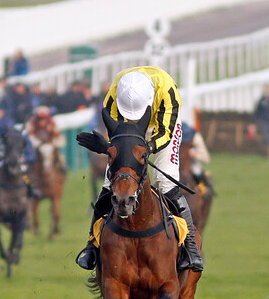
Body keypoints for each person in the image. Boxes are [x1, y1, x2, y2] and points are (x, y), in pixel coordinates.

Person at [75, 67, 204, 272]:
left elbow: (165, 132)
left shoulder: (168, 91)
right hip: (128, 131)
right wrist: (107, 148)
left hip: (161, 129)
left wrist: (147, 149)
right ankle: (92, 245)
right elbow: (115, 132)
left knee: (165, 183)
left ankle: (190, 247)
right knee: (111, 185)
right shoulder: (115, 91)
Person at [0, 120, 38, 203]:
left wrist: (24, 159)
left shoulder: (21, 133)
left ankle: (31, 190)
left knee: (25, 176)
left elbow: (31, 154)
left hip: (18, 160)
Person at [26, 106, 66, 172]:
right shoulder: (32, 124)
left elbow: (59, 138)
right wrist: (35, 143)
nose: (42, 122)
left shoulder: (53, 124)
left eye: (44, 119)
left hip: (50, 145)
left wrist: (54, 142)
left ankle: (62, 169)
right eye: (40, 119)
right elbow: (29, 137)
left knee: (59, 156)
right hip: (37, 146)